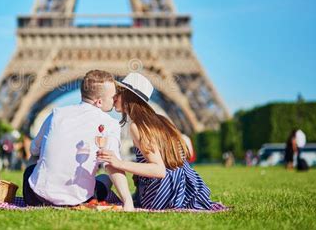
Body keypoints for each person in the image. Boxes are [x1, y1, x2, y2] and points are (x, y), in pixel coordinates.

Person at [98, 72, 225, 210]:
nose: (114, 96)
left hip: (160, 195)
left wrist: (119, 163)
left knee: (98, 190)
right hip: (186, 191)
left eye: (118, 92)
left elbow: (159, 170)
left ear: (129, 96)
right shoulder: (161, 121)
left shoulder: (137, 126)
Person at [23, 70, 134, 211]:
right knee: (105, 179)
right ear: (99, 102)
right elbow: (111, 164)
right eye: (113, 96)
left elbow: (33, 150)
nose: (116, 98)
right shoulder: (110, 124)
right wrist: (127, 201)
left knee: (33, 161)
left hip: (36, 196)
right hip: (78, 200)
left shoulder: (56, 114)